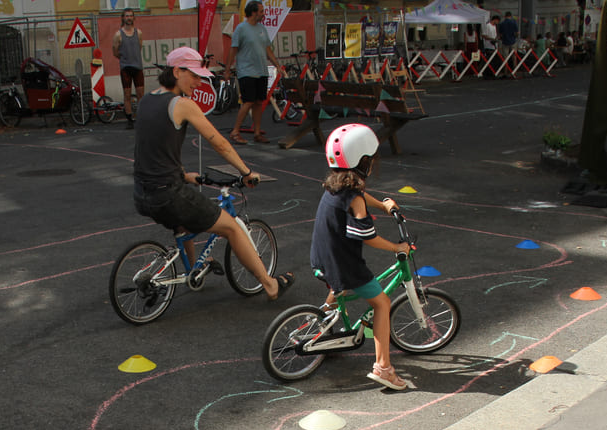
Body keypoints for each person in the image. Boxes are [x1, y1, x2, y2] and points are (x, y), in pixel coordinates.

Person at [133, 46, 292, 300]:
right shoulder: (182, 104)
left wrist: (182, 174)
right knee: (232, 228)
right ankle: (271, 285)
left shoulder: (146, 100)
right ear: (176, 71)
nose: (199, 82)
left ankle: (193, 270)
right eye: (194, 76)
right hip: (168, 194)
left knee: (183, 221)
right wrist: (246, 171)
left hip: (142, 193)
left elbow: (152, 148)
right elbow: (219, 142)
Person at [310, 124, 414, 391]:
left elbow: (359, 194)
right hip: (344, 265)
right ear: (363, 162)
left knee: (338, 289)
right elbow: (367, 236)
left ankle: (323, 332)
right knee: (381, 303)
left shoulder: (335, 186)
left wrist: (382, 204)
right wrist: (397, 248)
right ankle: (383, 368)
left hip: (321, 258)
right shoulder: (354, 200)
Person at [226, 0, 285, 144]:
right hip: (247, 71)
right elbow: (233, 49)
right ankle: (235, 131)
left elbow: (267, 49)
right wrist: (227, 69)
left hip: (261, 70)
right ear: (253, 12)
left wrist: (277, 65)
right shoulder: (241, 29)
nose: (263, 14)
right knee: (248, 102)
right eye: (261, 11)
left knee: (259, 102)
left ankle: (257, 132)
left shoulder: (262, 29)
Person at [112, 9, 145, 128]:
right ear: (123, 18)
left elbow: (139, 46)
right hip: (126, 67)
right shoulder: (118, 34)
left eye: (131, 16)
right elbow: (115, 51)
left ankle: (141, 117)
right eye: (127, 16)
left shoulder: (139, 33)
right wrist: (124, 58)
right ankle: (129, 119)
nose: (129, 18)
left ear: (134, 18)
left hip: (138, 67)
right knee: (127, 94)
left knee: (141, 93)